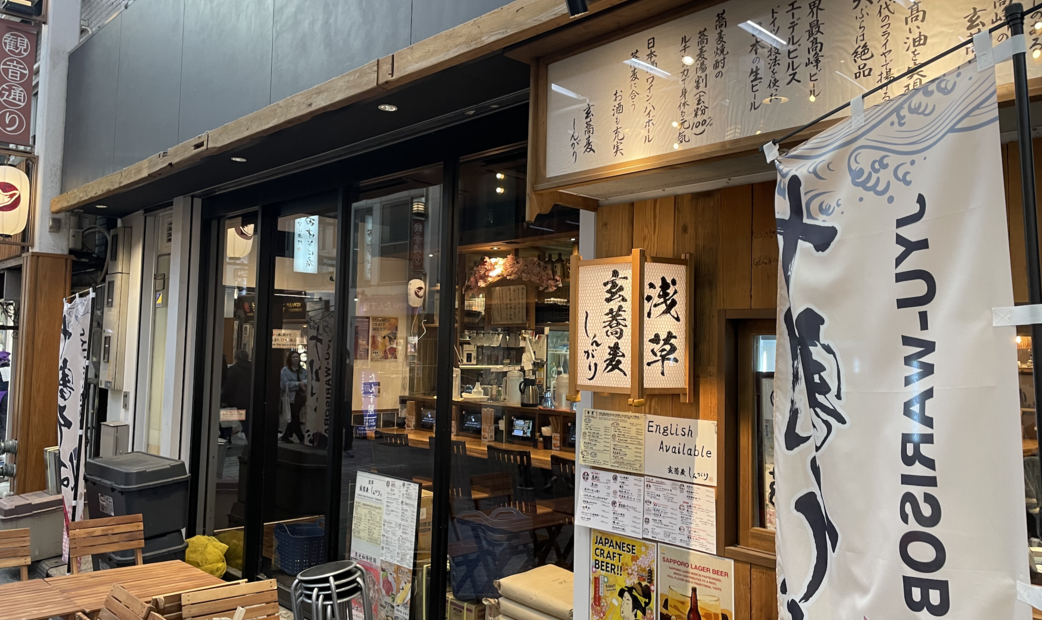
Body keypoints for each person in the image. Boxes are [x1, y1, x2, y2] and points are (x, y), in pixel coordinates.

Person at [221, 350, 252, 439]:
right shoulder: (254, 368)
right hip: (251, 399)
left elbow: (228, 385)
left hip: (236, 401)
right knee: (248, 422)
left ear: (236, 358)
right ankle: (250, 439)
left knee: (230, 421)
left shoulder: (233, 369)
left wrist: (224, 399)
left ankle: (227, 438)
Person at [280, 351, 307, 443]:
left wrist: (303, 383)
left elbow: (308, 380)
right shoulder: (285, 370)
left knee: (294, 417)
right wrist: (298, 384)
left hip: (301, 397)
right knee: (294, 417)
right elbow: (284, 384)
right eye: (293, 357)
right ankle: (301, 437)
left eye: (297, 357)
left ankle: (286, 435)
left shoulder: (303, 371)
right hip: (290, 397)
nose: (296, 359)